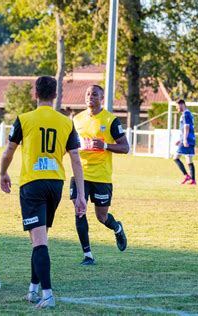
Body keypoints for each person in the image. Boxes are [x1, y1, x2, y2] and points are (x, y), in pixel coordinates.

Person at [0, 76, 87, 309]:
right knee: (39, 237)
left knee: (39, 241)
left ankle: (47, 295)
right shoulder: (66, 122)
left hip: (33, 183)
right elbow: (76, 160)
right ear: (55, 95)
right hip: (55, 184)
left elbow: (9, 150)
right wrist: (80, 194)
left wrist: (2, 172)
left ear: (35, 94)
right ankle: (32, 289)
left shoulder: (25, 119)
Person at [70, 84, 129, 266]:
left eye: (94, 94)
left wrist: (105, 146)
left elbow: (125, 147)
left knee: (101, 217)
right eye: (88, 93)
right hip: (80, 174)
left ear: (101, 98)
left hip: (101, 176)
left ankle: (117, 227)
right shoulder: (76, 120)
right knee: (80, 211)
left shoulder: (111, 120)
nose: (90, 96)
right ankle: (88, 255)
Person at [173, 99, 196, 185]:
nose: (177, 108)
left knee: (175, 158)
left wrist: (184, 139)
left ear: (182, 104)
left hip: (187, 140)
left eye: (177, 106)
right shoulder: (189, 113)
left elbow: (186, 127)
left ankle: (186, 176)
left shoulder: (185, 114)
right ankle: (193, 180)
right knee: (189, 160)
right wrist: (180, 139)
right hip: (191, 139)